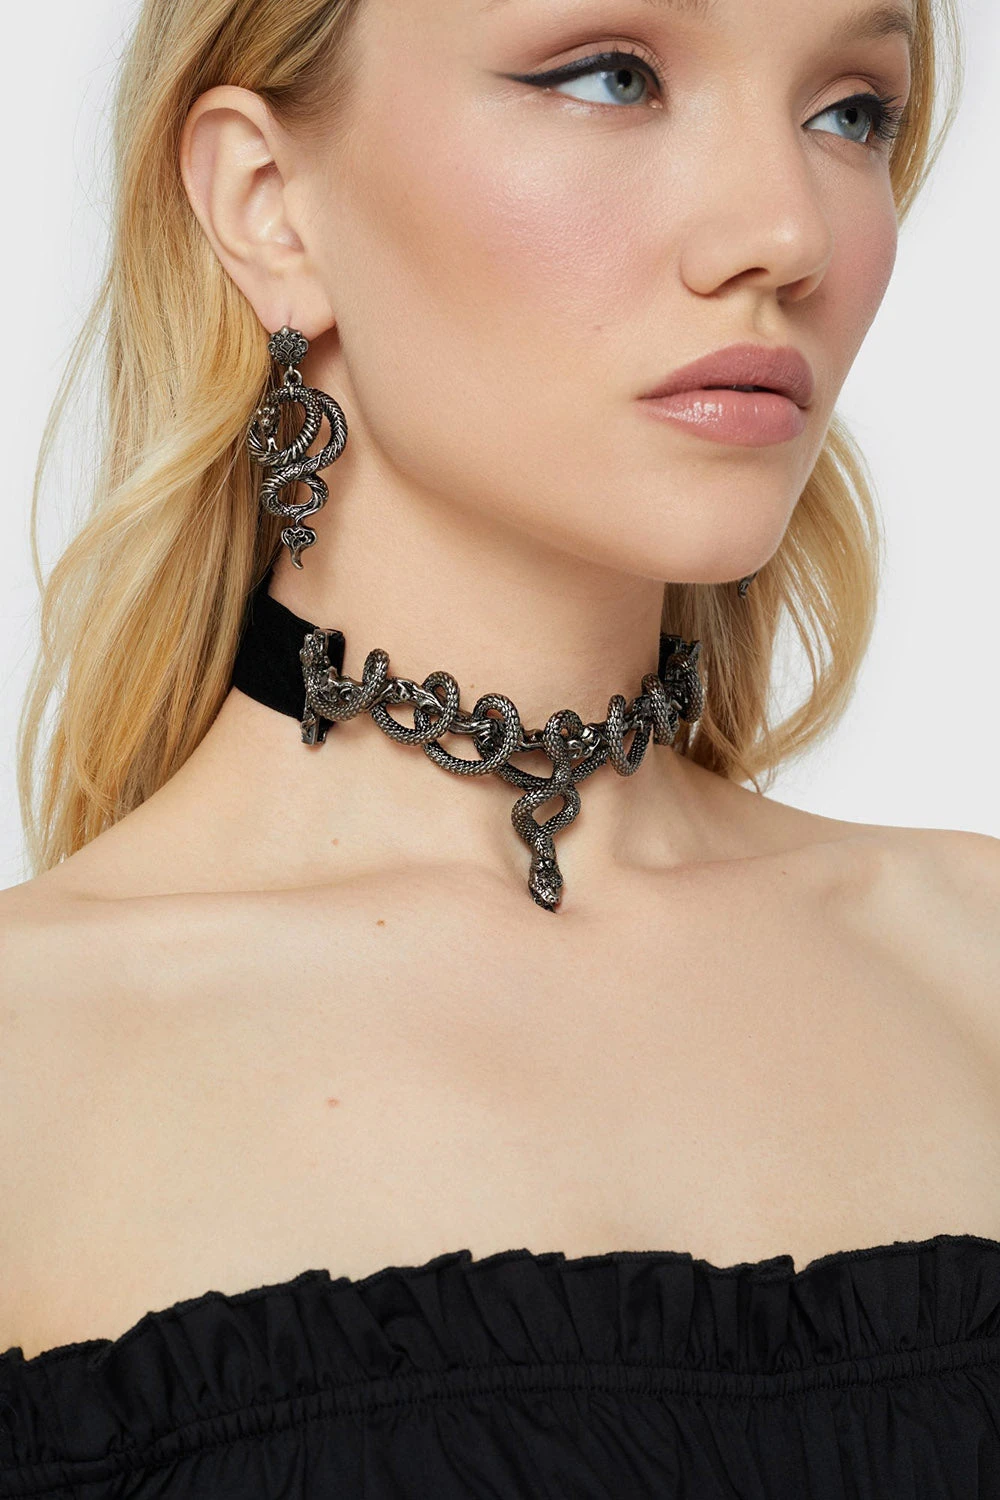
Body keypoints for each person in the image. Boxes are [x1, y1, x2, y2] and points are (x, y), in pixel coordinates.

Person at [1, 0, 998, 1494]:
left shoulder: (977, 965)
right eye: (611, 77)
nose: (790, 233)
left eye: (850, 110)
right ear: (268, 203)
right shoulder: (31, 1076)